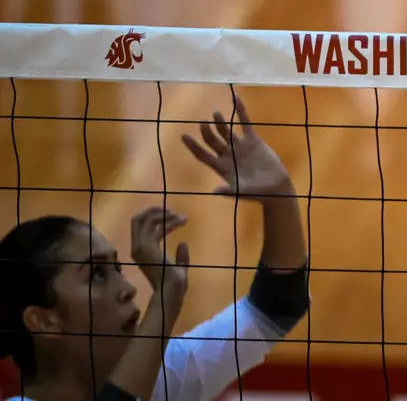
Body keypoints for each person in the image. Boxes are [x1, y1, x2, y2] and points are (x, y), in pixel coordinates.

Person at [0, 93, 309, 401]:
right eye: (97, 274)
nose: (128, 289)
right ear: (43, 320)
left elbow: (274, 308)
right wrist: (165, 300)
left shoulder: (161, 379)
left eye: (117, 269)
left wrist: (280, 199)